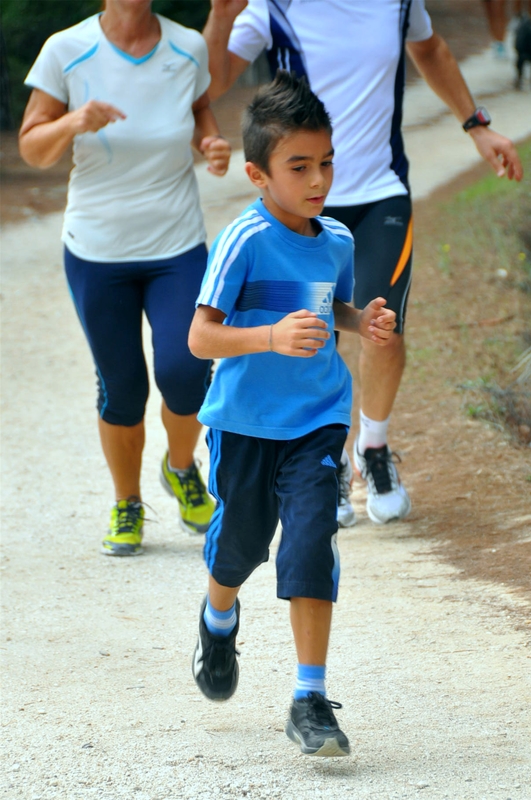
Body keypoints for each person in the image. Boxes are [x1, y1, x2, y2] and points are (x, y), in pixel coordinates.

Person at [202, 0, 524, 528]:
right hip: (299, 205)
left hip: (379, 194)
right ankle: (321, 461)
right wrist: (220, 15)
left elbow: (431, 48)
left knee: (382, 328)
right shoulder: (272, 6)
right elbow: (212, 83)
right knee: (312, 331)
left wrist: (476, 125)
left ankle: (373, 449)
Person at [188, 72, 396, 756]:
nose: (318, 179)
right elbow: (201, 337)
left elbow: (325, 304)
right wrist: (270, 336)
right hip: (244, 425)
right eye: (298, 166)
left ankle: (309, 698)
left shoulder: (334, 238)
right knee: (241, 547)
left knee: (310, 542)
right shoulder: (242, 240)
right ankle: (218, 619)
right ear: (257, 174)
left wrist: (356, 320)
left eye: (326, 162)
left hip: (315, 419)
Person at [19, 0, 231, 556]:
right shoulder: (66, 49)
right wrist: (73, 120)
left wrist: (208, 142)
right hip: (96, 251)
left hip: (176, 244)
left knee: (188, 371)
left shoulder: (186, 46)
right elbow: (32, 145)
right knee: (123, 387)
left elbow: (200, 107)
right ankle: (127, 503)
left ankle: (181, 468)